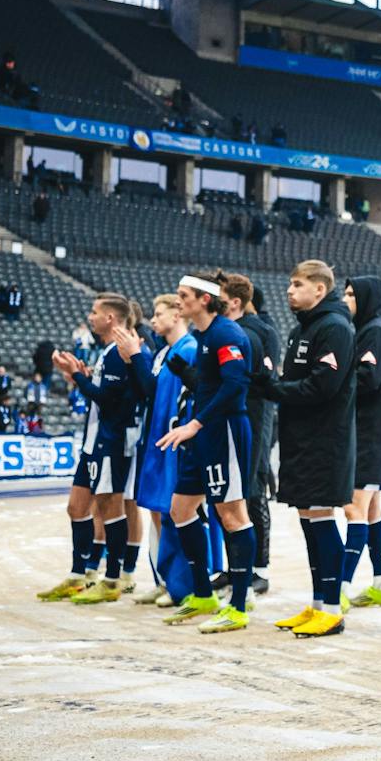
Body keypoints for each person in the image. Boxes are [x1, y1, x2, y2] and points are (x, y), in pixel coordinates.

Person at [251, 261, 357, 639]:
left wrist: (273, 388)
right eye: (290, 284)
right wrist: (274, 383)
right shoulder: (302, 329)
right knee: (310, 521)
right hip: (302, 439)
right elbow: (297, 383)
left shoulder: (335, 328)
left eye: (297, 284)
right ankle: (317, 603)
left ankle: (332, 608)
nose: (289, 290)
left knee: (322, 518)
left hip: (325, 441)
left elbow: (322, 388)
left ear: (320, 288)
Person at [153, 271, 258, 634]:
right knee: (181, 509)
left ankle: (239, 606)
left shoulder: (227, 334)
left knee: (233, 515)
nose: (178, 300)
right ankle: (202, 594)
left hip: (224, 431)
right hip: (202, 433)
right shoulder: (204, 337)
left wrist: (196, 424)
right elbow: (210, 384)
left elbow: (235, 385)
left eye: (184, 295)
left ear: (204, 300)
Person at [47, 295, 143, 605]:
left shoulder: (121, 353)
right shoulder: (109, 351)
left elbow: (108, 399)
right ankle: (79, 575)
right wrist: (81, 376)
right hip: (94, 441)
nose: (90, 317)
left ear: (111, 318)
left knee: (110, 509)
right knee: (77, 507)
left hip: (112, 441)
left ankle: (113, 578)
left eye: (95, 312)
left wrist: (77, 377)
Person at [124, 294, 201, 608]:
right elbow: (149, 392)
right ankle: (163, 578)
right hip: (156, 438)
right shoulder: (163, 353)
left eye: (159, 314)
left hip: (175, 441)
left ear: (177, 315)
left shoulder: (190, 349)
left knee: (176, 513)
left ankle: (184, 584)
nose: (153, 321)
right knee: (157, 510)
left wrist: (134, 357)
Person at [340, 276, 381, 608]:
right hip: (370, 433)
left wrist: (334, 380)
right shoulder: (366, 330)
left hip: (371, 435)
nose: (345, 299)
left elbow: (369, 379)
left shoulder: (375, 332)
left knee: (354, 508)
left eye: (351, 294)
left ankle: (341, 587)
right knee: (372, 509)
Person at [222, 276, 281, 597]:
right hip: (236, 419)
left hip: (256, 420)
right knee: (232, 493)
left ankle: (260, 569)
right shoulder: (232, 329)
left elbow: (265, 382)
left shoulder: (260, 331)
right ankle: (236, 567)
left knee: (253, 490)